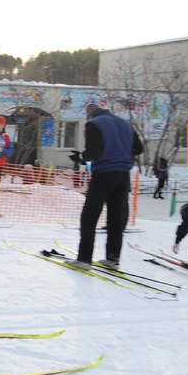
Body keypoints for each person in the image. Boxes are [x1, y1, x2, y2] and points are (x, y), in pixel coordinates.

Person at [68, 104, 143, 269]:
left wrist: (79, 157)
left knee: (89, 216)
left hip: (103, 174)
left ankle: (84, 260)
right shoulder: (125, 124)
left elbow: (92, 152)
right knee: (116, 219)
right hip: (123, 176)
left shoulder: (94, 124)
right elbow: (139, 149)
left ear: (90, 116)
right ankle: (113, 259)